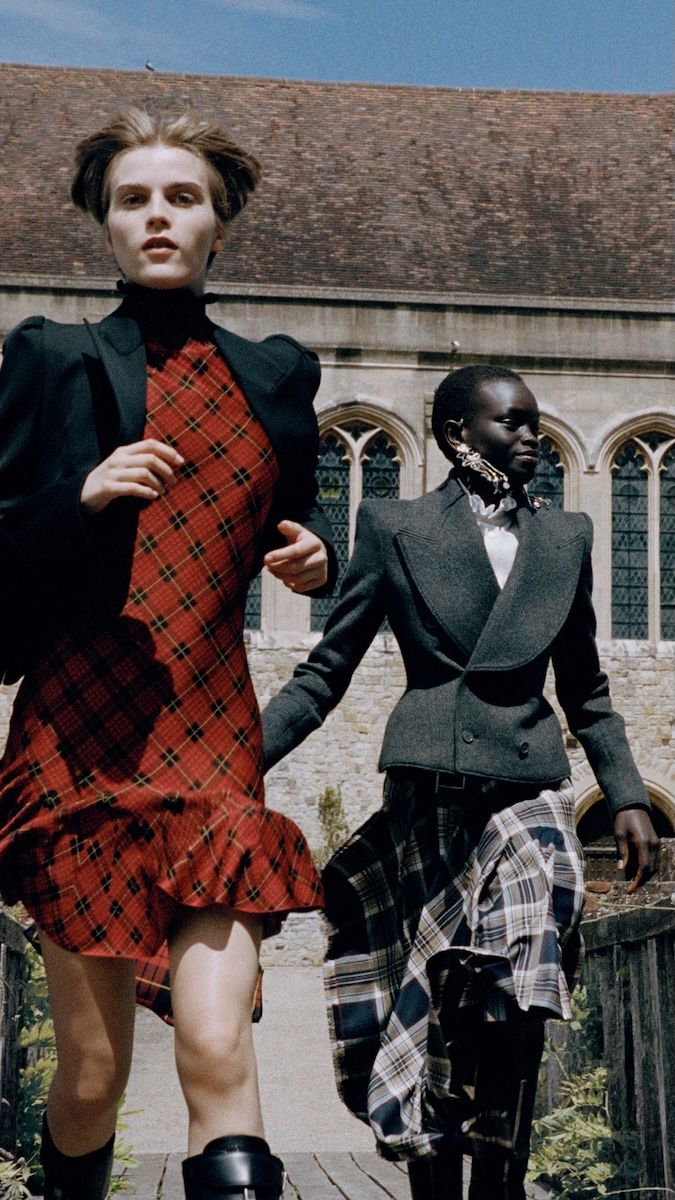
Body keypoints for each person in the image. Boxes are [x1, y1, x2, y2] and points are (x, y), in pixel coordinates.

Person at [0, 109, 338, 1200]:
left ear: (218, 227)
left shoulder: (276, 375)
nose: (157, 216)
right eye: (133, 199)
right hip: (79, 739)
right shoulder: (50, 358)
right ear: (105, 224)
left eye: (182, 198)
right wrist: (80, 497)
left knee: (217, 1045)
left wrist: (316, 557)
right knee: (93, 1078)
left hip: (211, 739)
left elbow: (291, 515)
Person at [262, 364, 659, 1199]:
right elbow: (325, 671)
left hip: (525, 784)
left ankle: (501, 1180)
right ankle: (436, 1178)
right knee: (438, 1000)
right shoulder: (394, 525)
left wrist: (624, 792)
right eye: (511, 422)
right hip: (430, 790)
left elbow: (584, 688)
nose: (531, 436)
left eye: (535, 422)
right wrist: (241, 758)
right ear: (454, 435)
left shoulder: (566, 536)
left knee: (524, 975)